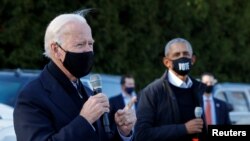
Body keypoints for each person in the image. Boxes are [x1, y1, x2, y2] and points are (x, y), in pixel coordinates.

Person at [13, 10, 136, 141]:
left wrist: (123, 132)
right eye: (80, 44)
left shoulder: (88, 92)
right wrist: (84, 120)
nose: (88, 50)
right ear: (56, 50)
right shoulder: (32, 97)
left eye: (90, 44)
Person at [134, 38, 207, 141]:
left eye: (186, 54)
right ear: (167, 62)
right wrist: (183, 129)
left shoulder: (197, 88)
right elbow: (141, 134)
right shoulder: (152, 92)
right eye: (177, 55)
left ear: (193, 59)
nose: (182, 57)